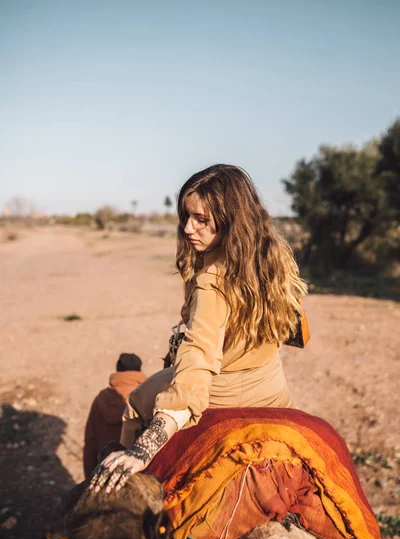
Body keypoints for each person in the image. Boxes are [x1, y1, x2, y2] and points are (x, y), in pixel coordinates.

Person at [90, 164, 307, 493]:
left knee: (135, 400)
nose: (189, 228)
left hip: (223, 393)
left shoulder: (211, 280)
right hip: (273, 389)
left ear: (230, 218)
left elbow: (198, 359)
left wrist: (144, 447)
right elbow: (295, 326)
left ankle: (127, 493)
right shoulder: (271, 256)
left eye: (202, 220)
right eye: (186, 217)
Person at [83, 353, 146, 478]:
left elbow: (90, 442)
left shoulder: (101, 398)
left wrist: (89, 477)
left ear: (118, 370)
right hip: (136, 474)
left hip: (103, 469)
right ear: (139, 372)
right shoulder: (145, 399)